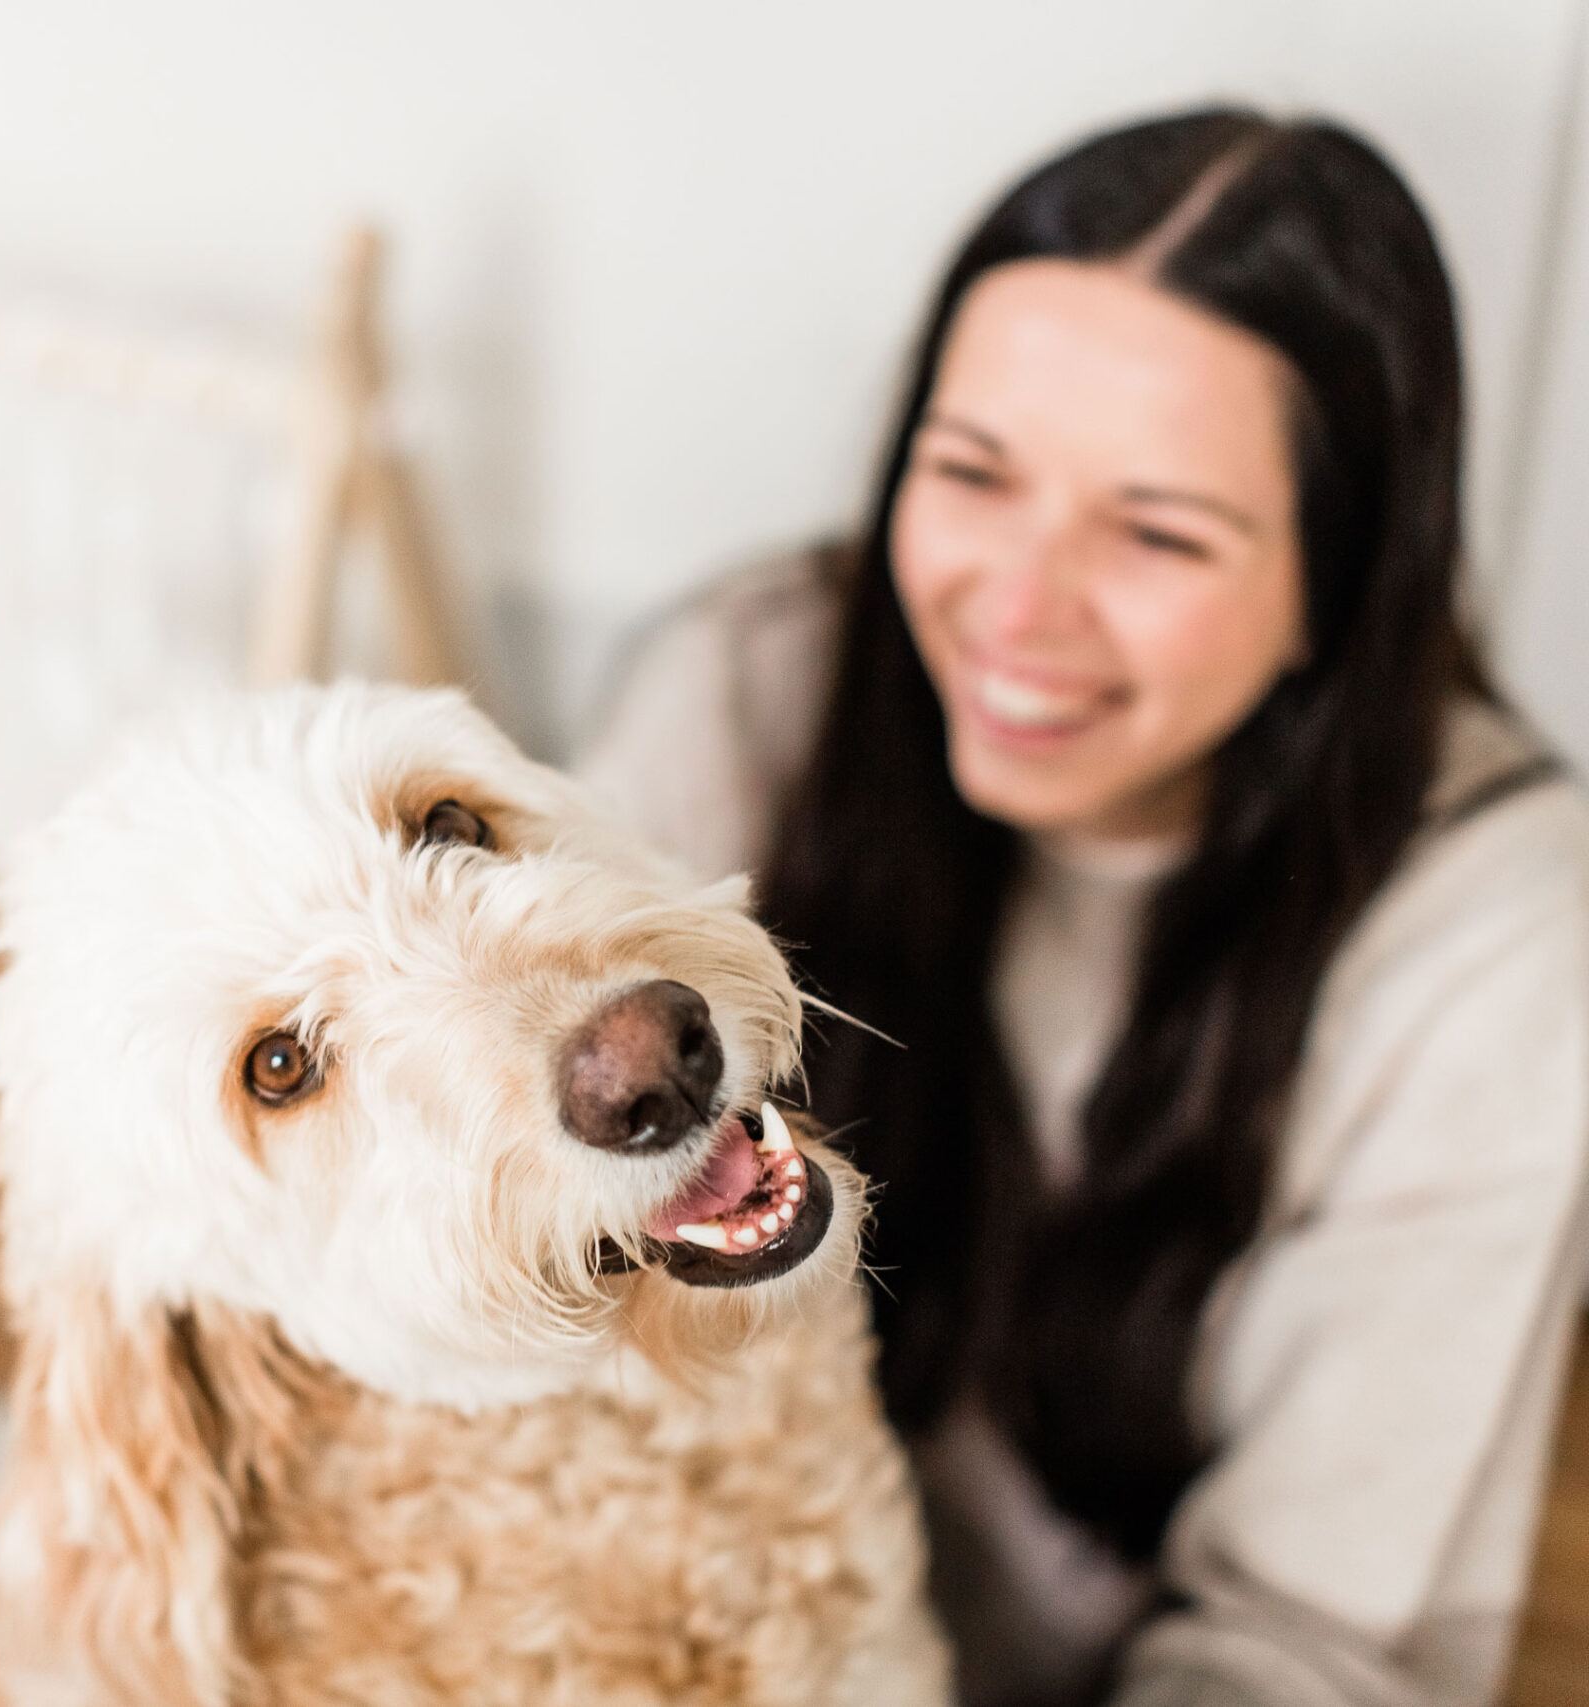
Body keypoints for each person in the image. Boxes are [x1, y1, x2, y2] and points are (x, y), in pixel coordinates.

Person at [579, 108, 1589, 1707]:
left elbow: (1305, 1652)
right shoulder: (746, 699)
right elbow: (535, 1306)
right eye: (971, 473)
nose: (1019, 612)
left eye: (1160, 531)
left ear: (1340, 584)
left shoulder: (1493, 937)